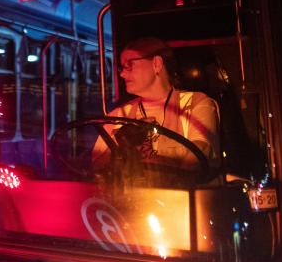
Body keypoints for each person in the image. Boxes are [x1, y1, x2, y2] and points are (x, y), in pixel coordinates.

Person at [93, 37, 219, 178]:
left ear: (156, 64)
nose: (122, 74)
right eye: (122, 67)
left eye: (129, 64)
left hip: (179, 199)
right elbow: (95, 169)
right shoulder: (118, 115)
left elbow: (198, 158)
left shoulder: (195, 103)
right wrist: (120, 142)